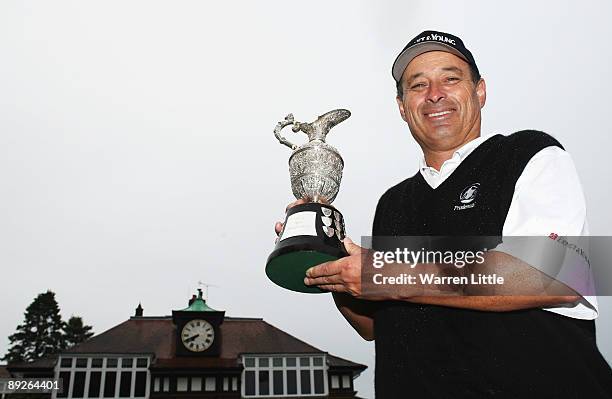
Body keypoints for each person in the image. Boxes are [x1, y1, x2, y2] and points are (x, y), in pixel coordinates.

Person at [276, 30, 612, 397]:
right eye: (418, 85)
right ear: (403, 107)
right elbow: (374, 326)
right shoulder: (393, 203)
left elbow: (555, 274)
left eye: (450, 78)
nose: (435, 94)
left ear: (479, 91)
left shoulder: (530, 153)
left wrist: (384, 274)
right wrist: (332, 262)